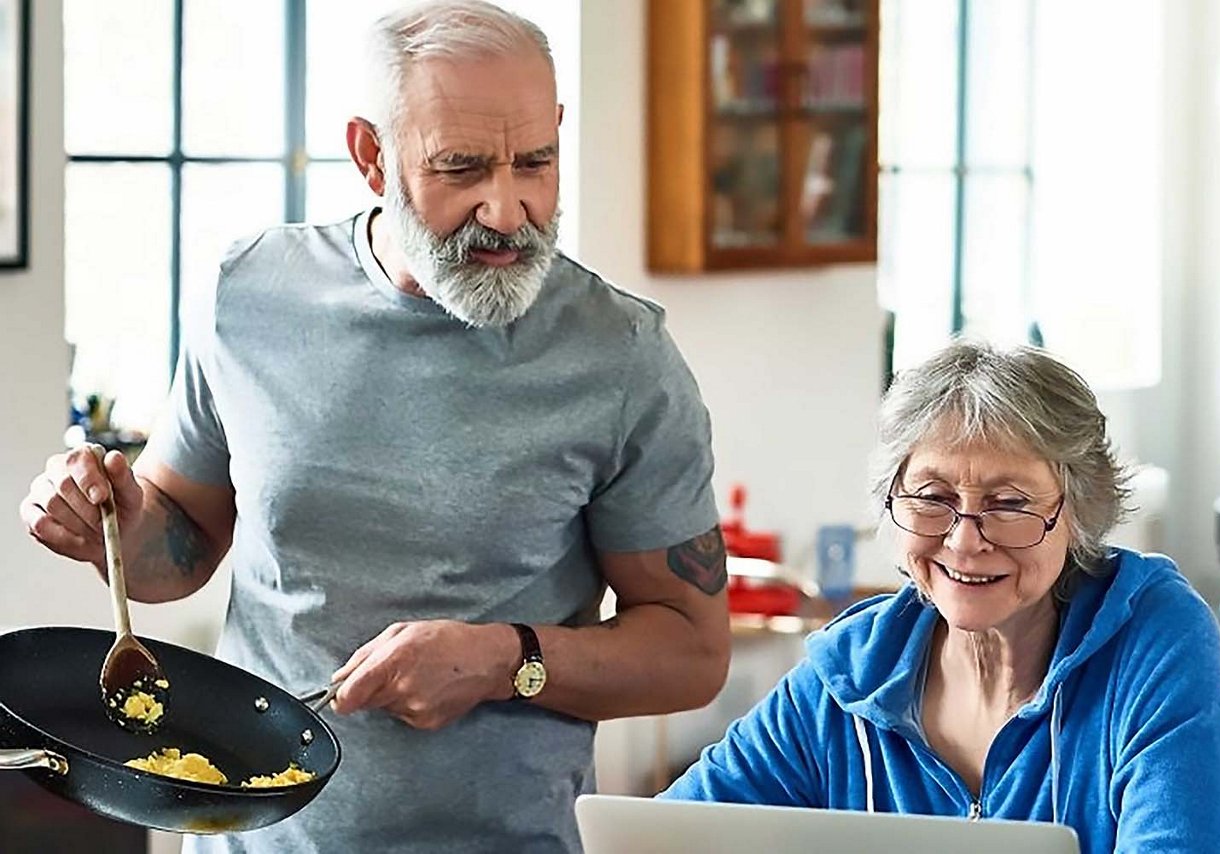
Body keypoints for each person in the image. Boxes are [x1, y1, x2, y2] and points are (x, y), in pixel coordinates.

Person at [19, 2, 731, 851]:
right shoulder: (247, 293)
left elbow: (692, 650)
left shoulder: (621, 355)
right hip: (246, 838)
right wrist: (115, 523)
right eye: (461, 169)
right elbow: (180, 549)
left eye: (536, 162)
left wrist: (507, 658)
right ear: (371, 155)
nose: (507, 210)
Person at [661, 339, 1220, 854]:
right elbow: (664, 836)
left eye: (1011, 503)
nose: (965, 541)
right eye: (932, 496)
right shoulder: (847, 677)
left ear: (1079, 512)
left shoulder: (1152, 638)